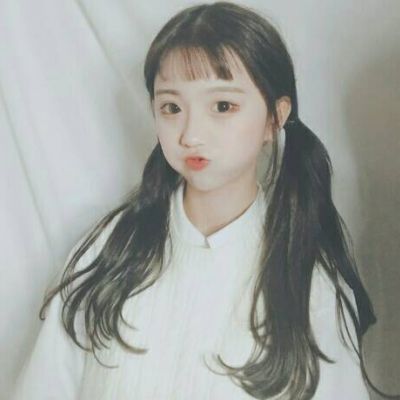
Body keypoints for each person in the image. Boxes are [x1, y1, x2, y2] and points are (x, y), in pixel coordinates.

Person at [12, 2, 386, 399]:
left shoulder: (309, 283)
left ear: (275, 118)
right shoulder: (109, 251)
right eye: (172, 107)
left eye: (222, 106)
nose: (190, 134)